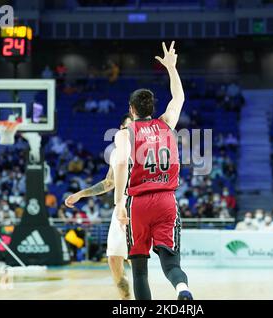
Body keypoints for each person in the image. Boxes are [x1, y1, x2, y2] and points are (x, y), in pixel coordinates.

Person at [113, 41, 192, 300]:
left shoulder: (125, 133)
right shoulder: (166, 123)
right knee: (171, 264)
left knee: (139, 271)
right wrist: (171, 68)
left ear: (132, 110)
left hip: (139, 204)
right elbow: (179, 97)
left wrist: (119, 202)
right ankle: (183, 290)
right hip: (167, 200)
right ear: (152, 109)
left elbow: (123, 163)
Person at [65, 114, 133, 300]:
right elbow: (109, 182)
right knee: (113, 258)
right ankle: (126, 300)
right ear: (120, 129)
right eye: (127, 128)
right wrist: (81, 194)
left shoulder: (145, 149)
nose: (131, 131)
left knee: (136, 261)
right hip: (120, 206)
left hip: (138, 205)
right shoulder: (116, 152)